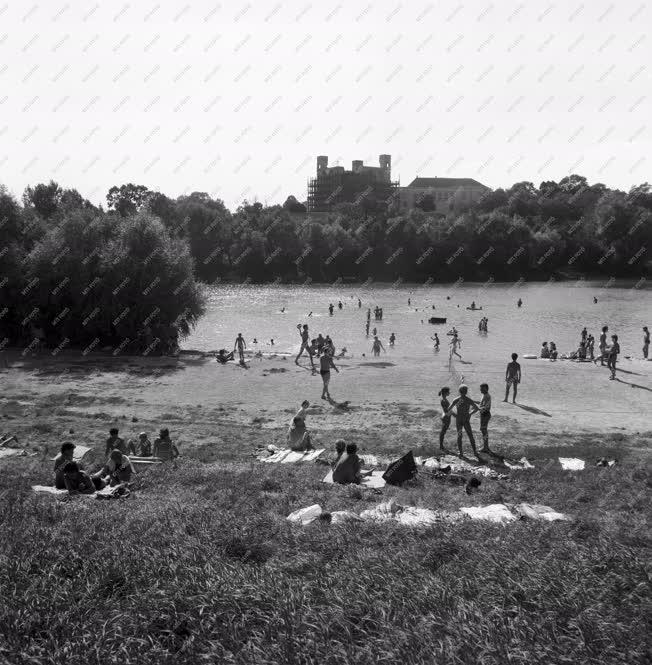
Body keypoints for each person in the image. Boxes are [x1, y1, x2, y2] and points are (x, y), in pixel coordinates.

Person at [446, 385, 479, 458]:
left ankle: (461, 453)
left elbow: (448, 409)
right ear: (466, 392)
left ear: (459, 391)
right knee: (470, 436)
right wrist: (470, 414)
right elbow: (476, 408)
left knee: (459, 436)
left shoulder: (456, 400)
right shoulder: (468, 400)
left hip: (459, 420)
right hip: (466, 420)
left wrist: (454, 415)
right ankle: (475, 452)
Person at [478, 383, 492, 453]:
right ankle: (486, 446)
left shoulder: (487, 396)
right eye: (480, 389)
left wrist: (478, 408)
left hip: (485, 414)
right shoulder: (484, 395)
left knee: (484, 430)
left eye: (482, 389)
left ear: (486, 389)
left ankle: (486, 447)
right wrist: (471, 401)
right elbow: (481, 404)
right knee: (483, 430)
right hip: (483, 414)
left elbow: (484, 407)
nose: (480, 390)